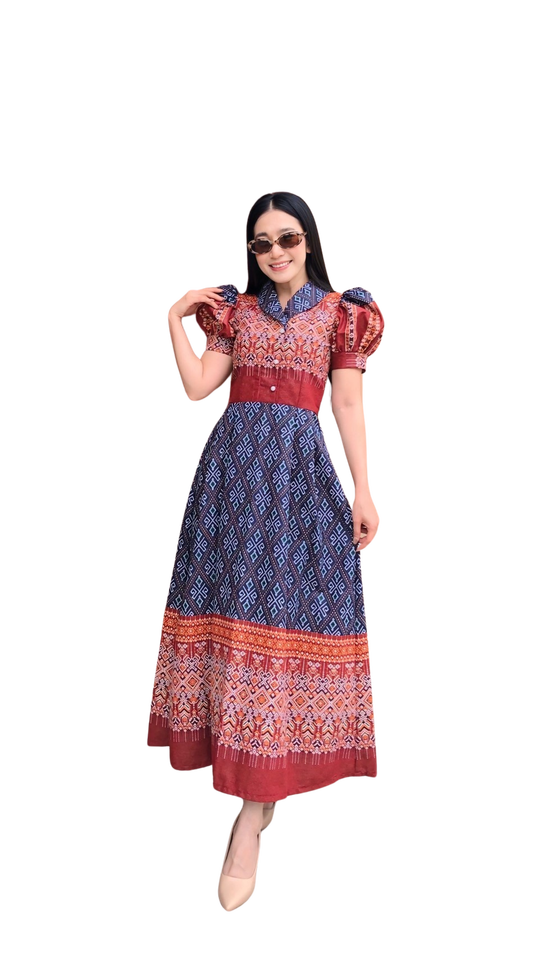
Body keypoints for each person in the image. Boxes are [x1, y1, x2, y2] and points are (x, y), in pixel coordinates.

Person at [144, 189, 387, 913]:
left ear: (309, 239)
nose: (275, 252)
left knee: (281, 635)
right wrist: (172, 318)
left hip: (299, 486)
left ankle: (251, 818)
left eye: (287, 238)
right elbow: (198, 388)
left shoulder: (343, 312)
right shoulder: (235, 311)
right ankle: (253, 792)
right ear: (250, 252)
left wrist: (364, 490)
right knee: (234, 635)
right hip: (229, 485)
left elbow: (348, 404)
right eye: (261, 242)